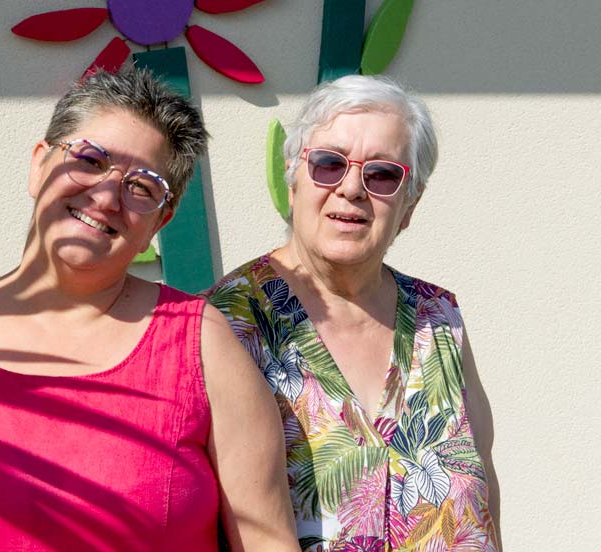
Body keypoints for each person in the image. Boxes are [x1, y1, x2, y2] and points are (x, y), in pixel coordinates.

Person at [0, 68, 299, 552]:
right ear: (38, 164)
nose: (107, 196)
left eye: (143, 186)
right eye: (90, 159)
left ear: (162, 219)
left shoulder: (200, 345)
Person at [205, 75, 501, 551]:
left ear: (410, 203)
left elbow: (483, 498)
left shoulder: (439, 319)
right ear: (293, 176)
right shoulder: (226, 322)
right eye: (329, 163)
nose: (351, 189)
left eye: (382, 174)